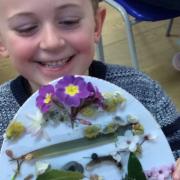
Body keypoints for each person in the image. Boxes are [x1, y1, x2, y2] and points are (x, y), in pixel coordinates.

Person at [0, 0, 179, 178]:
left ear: (97, 25)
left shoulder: (142, 92)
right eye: (26, 28)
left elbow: (173, 151)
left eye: (69, 21)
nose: (52, 42)